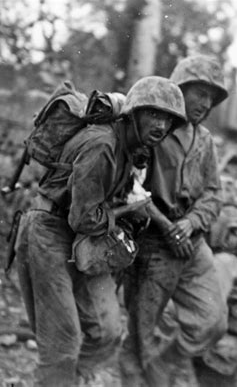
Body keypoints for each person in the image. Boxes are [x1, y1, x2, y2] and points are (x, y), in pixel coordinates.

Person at [14, 76, 186, 387]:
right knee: (62, 340)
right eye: (154, 114)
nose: (161, 126)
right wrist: (126, 211)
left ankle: (66, 381)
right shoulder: (104, 144)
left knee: (107, 331)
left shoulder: (130, 148)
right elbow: (83, 218)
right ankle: (56, 379)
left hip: (84, 239)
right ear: (134, 113)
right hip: (49, 232)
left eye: (169, 120)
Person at [121, 55, 229, 387]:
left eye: (212, 97)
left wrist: (192, 222)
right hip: (154, 243)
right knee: (143, 331)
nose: (206, 103)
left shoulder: (206, 140)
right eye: (200, 93)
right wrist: (167, 227)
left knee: (212, 322)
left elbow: (213, 193)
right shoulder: (153, 131)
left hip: (192, 243)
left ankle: (162, 364)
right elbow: (129, 188)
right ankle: (139, 373)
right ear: (180, 89)